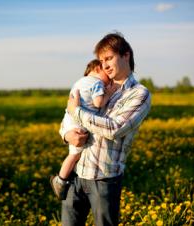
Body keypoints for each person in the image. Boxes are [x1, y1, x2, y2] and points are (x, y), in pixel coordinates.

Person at [59, 32, 151, 226]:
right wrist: (67, 136)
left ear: (126, 55)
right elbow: (67, 119)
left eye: (109, 58)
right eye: (101, 61)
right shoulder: (95, 86)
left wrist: (77, 111)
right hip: (76, 175)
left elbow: (114, 129)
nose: (105, 65)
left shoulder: (138, 94)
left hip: (104, 179)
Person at [50, 59, 116, 200]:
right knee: (74, 155)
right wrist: (108, 94)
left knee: (73, 155)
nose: (108, 80)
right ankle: (60, 180)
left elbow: (71, 103)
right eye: (107, 74)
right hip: (79, 123)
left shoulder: (79, 82)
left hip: (69, 119)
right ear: (98, 69)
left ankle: (62, 179)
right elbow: (98, 102)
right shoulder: (97, 83)